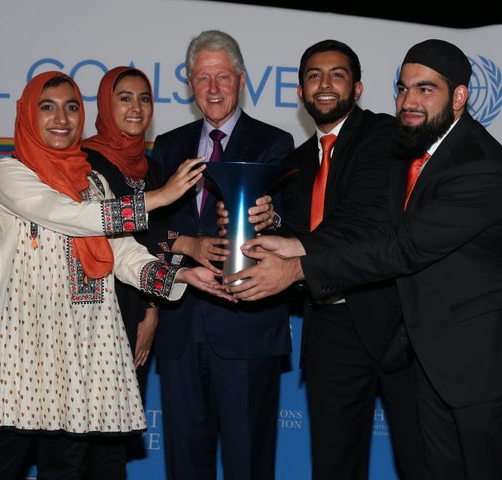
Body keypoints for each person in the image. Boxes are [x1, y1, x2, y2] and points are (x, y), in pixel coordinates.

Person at [226, 39, 502, 480]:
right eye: (403, 88)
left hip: (481, 361)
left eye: (425, 89)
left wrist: (299, 266)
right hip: (429, 356)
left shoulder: (479, 166)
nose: (409, 101)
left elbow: (403, 247)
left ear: (459, 96)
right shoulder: (417, 155)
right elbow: (374, 227)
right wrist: (294, 242)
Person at [0, 70, 235, 480]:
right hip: (23, 344)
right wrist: (162, 195)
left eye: (71, 107)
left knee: (67, 468)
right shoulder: (9, 173)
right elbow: (68, 216)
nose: (61, 117)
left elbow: (123, 251)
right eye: (48, 107)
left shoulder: (93, 180)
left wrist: (182, 276)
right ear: (28, 114)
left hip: (82, 343)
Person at [272, 39, 422, 480]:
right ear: (300, 91)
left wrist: (290, 251)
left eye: (337, 74)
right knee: (334, 465)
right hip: (329, 325)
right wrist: (268, 225)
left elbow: (363, 222)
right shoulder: (295, 162)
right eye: (314, 76)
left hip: (396, 322)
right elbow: (302, 232)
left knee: (420, 461)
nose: (324, 84)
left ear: (357, 88)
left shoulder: (383, 135)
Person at [150, 30, 295, 480]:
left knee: (248, 462)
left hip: (246, 325)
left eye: (223, 77)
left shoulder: (275, 142)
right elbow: (145, 228)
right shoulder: (169, 146)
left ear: (242, 80)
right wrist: (188, 246)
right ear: (190, 84)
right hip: (181, 326)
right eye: (202, 78)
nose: (213, 89)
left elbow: (294, 221)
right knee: (185, 464)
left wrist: (271, 219)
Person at [81, 65, 215, 477]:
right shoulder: (82, 161)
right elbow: (96, 232)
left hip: (136, 307)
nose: (136, 108)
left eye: (144, 98)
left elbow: (154, 239)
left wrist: (152, 312)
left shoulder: (151, 168)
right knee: (76, 438)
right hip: (89, 309)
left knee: (114, 435)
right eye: (125, 97)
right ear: (106, 103)